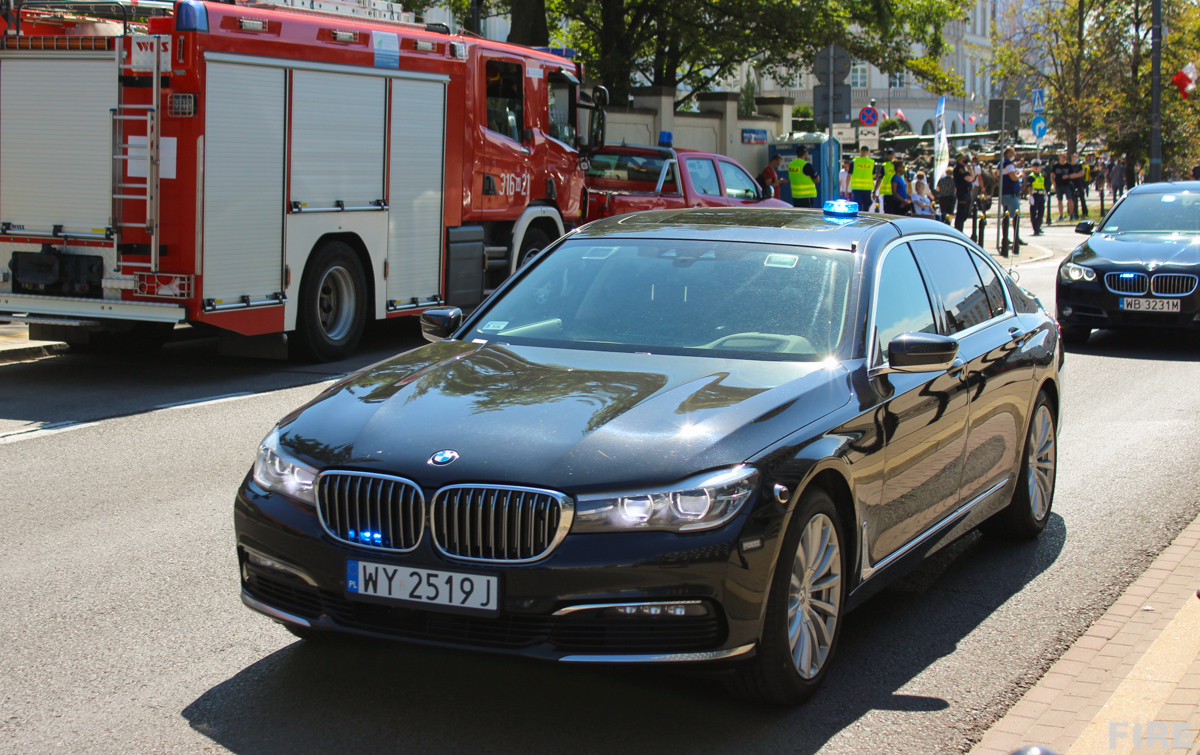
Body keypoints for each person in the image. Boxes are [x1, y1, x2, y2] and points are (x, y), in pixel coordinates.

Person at [1000, 147, 1023, 243]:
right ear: (1009, 153)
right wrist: (1020, 175)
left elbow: (995, 174)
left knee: (1006, 216)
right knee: (1016, 216)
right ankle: (1016, 239)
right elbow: (1013, 178)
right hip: (1010, 194)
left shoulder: (1000, 163)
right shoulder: (1008, 164)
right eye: (1012, 153)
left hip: (1003, 193)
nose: (1014, 154)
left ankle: (1005, 238)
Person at [849, 146, 875, 212]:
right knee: (866, 207)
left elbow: (849, 175)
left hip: (856, 188)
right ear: (868, 152)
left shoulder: (854, 161)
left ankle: (858, 221)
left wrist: (847, 188)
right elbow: (874, 174)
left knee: (857, 207)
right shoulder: (871, 162)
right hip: (867, 188)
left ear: (860, 151)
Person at [953, 153, 973, 232]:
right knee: (961, 214)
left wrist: (970, 168)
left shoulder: (964, 168)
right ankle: (958, 230)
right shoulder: (959, 168)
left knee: (965, 214)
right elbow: (968, 178)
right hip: (962, 193)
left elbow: (972, 177)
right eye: (964, 158)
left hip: (967, 192)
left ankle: (960, 229)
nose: (965, 159)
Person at [1051, 153, 1074, 220]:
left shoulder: (1068, 165)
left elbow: (1072, 174)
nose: (1064, 158)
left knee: (1070, 199)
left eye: (1065, 157)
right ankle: (1061, 215)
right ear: (1059, 157)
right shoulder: (1056, 166)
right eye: (1063, 156)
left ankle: (1071, 215)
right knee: (1059, 200)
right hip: (1058, 185)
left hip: (1067, 184)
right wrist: (1053, 183)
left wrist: (1068, 176)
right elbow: (1052, 175)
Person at [874, 147, 896, 213]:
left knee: (888, 211)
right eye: (890, 154)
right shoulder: (898, 165)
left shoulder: (885, 166)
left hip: (889, 192)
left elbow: (879, 179)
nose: (891, 156)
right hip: (895, 192)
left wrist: (875, 191)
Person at [1027, 158, 1047, 235]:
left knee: (1041, 212)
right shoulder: (1031, 176)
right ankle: (1035, 228)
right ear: (1032, 167)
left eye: (1037, 166)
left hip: (1041, 195)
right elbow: (1029, 187)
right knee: (1033, 212)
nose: (1036, 167)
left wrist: (1045, 194)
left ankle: (1038, 227)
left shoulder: (1042, 175)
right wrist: (1031, 196)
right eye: (1034, 166)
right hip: (1034, 195)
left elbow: (1043, 185)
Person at [1069, 153, 1088, 218]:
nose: (1077, 158)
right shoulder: (1069, 166)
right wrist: (1076, 175)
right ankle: (1072, 212)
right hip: (1071, 183)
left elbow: (1082, 173)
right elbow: (1069, 176)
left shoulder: (1079, 165)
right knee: (1071, 198)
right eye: (1076, 157)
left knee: (1082, 197)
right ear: (1072, 157)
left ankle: (1084, 212)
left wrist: (1074, 175)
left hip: (1079, 183)